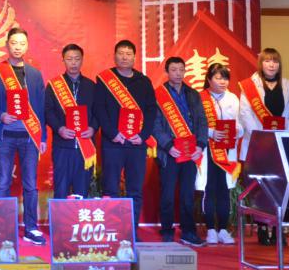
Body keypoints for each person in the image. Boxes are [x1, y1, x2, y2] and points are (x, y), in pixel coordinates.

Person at [0, 27, 48, 245]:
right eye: (14, 43)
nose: (18, 47)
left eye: (22, 43)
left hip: (30, 136)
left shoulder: (35, 74)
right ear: (7, 45)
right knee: (3, 181)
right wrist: (0, 115)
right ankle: (1, 226)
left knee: (30, 184)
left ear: (27, 46)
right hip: (5, 135)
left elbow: (41, 108)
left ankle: (31, 228)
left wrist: (43, 137)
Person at [237, 47, 289, 242]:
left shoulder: (288, 85)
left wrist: (285, 137)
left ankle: (278, 227)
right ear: (261, 63)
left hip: (280, 144)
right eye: (267, 61)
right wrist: (262, 138)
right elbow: (245, 114)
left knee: (279, 186)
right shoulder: (249, 86)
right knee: (259, 186)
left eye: (275, 61)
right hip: (258, 144)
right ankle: (262, 227)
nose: (271, 65)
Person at [93, 39, 157, 233]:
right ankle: (111, 230)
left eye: (128, 54)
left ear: (134, 57)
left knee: (135, 190)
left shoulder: (144, 81)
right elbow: (99, 109)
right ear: (115, 56)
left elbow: (151, 111)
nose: (124, 57)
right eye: (121, 53)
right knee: (110, 188)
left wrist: (143, 135)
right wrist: (113, 133)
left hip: (136, 144)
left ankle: (132, 231)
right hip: (113, 142)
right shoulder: (105, 80)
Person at [152, 56, 207, 246]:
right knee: (167, 194)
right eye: (173, 70)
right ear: (167, 72)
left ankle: (188, 231)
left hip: (190, 151)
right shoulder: (159, 94)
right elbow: (155, 124)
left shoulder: (193, 94)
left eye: (181, 69)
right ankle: (167, 230)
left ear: (185, 71)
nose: (177, 73)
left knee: (187, 195)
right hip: (169, 152)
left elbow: (202, 121)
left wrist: (200, 145)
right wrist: (168, 145)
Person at [197, 62, 243, 245]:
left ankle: (223, 229)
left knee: (224, 188)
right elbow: (195, 124)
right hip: (208, 149)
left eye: (225, 78)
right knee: (209, 188)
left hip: (227, 150)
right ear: (209, 79)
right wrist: (211, 132)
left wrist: (237, 131)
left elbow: (239, 122)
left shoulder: (233, 98)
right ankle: (210, 229)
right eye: (218, 78)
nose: (223, 81)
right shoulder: (200, 98)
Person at [44, 43, 97, 199]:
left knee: (82, 191)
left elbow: (98, 112)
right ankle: (60, 217)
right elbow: (48, 111)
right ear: (63, 60)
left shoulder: (91, 86)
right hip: (62, 146)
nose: (73, 63)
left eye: (77, 59)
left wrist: (93, 128)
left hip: (85, 146)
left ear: (82, 60)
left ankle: (79, 216)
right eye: (69, 59)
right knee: (61, 190)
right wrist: (59, 128)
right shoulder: (54, 85)